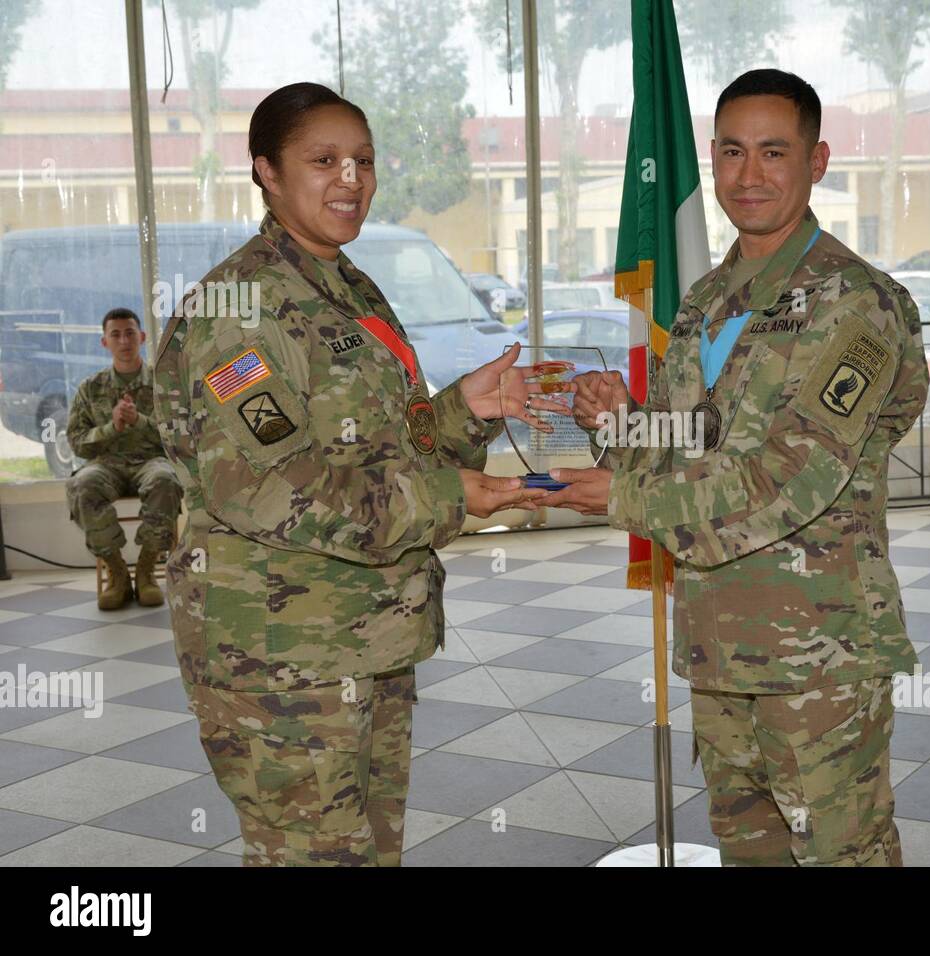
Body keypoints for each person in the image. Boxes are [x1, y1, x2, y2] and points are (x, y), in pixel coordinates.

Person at [152, 82, 563, 866]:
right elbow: (270, 488)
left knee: (368, 854)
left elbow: (379, 448)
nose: (351, 179)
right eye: (324, 160)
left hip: (363, 636)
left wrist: (462, 412)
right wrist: (449, 496)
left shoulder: (344, 286)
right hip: (282, 657)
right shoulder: (242, 308)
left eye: (363, 161)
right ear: (266, 172)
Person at [542, 69, 930, 866]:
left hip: (817, 652)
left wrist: (624, 497)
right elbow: (700, 441)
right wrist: (617, 422)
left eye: (773, 152)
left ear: (817, 161)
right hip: (721, 641)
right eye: (730, 151)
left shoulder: (855, 302)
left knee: (841, 851)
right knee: (748, 849)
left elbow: (794, 474)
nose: (748, 175)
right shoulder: (710, 297)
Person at [66, 307, 181, 610]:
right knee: (83, 485)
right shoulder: (90, 389)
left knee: (166, 480)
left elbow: (180, 437)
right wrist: (111, 427)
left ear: (142, 337)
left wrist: (139, 421)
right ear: (105, 342)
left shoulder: (163, 383)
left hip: (150, 460)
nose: (124, 340)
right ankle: (117, 573)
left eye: (130, 332)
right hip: (107, 464)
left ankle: (146, 571)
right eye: (115, 334)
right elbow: (78, 443)